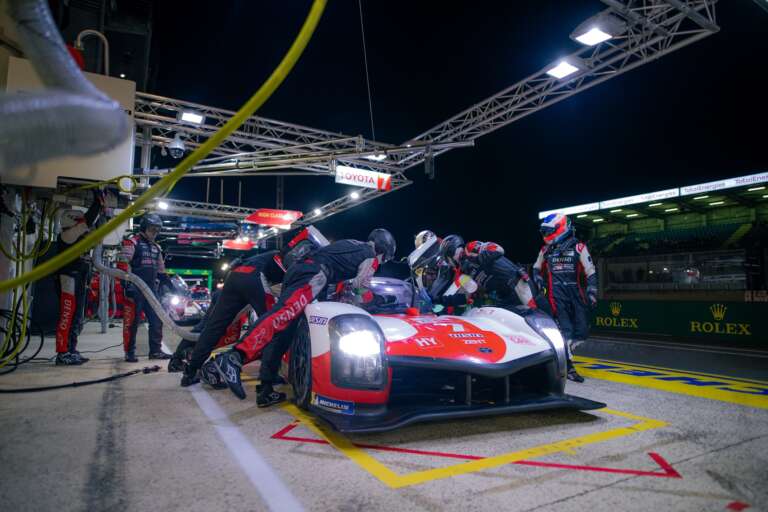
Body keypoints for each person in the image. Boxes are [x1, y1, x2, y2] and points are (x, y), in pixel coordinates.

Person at [214, 228, 397, 407]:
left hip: (299, 271)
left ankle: (266, 389)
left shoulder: (351, 243)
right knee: (281, 316)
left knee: (284, 332)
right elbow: (360, 286)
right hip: (314, 275)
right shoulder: (370, 257)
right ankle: (234, 358)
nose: (381, 262)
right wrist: (376, 301)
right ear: (384, 251)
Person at [533, 213, 598, 383]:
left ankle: (562, 357)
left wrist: (592, 290)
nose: (546, 235)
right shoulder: (545, 250)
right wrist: (538, 278)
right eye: (544, 231)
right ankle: (568, 368)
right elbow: (535, 268)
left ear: (561, 227)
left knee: (582, 332)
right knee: (566, 331)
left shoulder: (579, 247)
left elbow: (590, 270)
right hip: (556, 295)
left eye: (549, 231)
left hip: (576, 293)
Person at [54, 190, 104, 365]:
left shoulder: (78, 236)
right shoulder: (66, 236)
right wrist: (98, 202)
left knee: (76, 317)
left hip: (79, 279)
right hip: (68, 278)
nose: (84, 226)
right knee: (67, 315)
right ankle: (62, 353)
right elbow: (88, 222)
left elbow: (92, 230)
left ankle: (71, 349)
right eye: (80, 222)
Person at [119, 213, 171, 362]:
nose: (154, 232)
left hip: (151, 291)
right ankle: (129, 353)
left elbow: (161, 271)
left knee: (157, 320)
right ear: (144, 227)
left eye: (157, 229)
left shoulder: (157, 247)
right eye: (152, 228)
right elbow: (122, 264)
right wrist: (126, 284)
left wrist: (170, 285)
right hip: (135, 289)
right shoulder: (132, 242)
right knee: (132, 322)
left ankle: (155, 351)